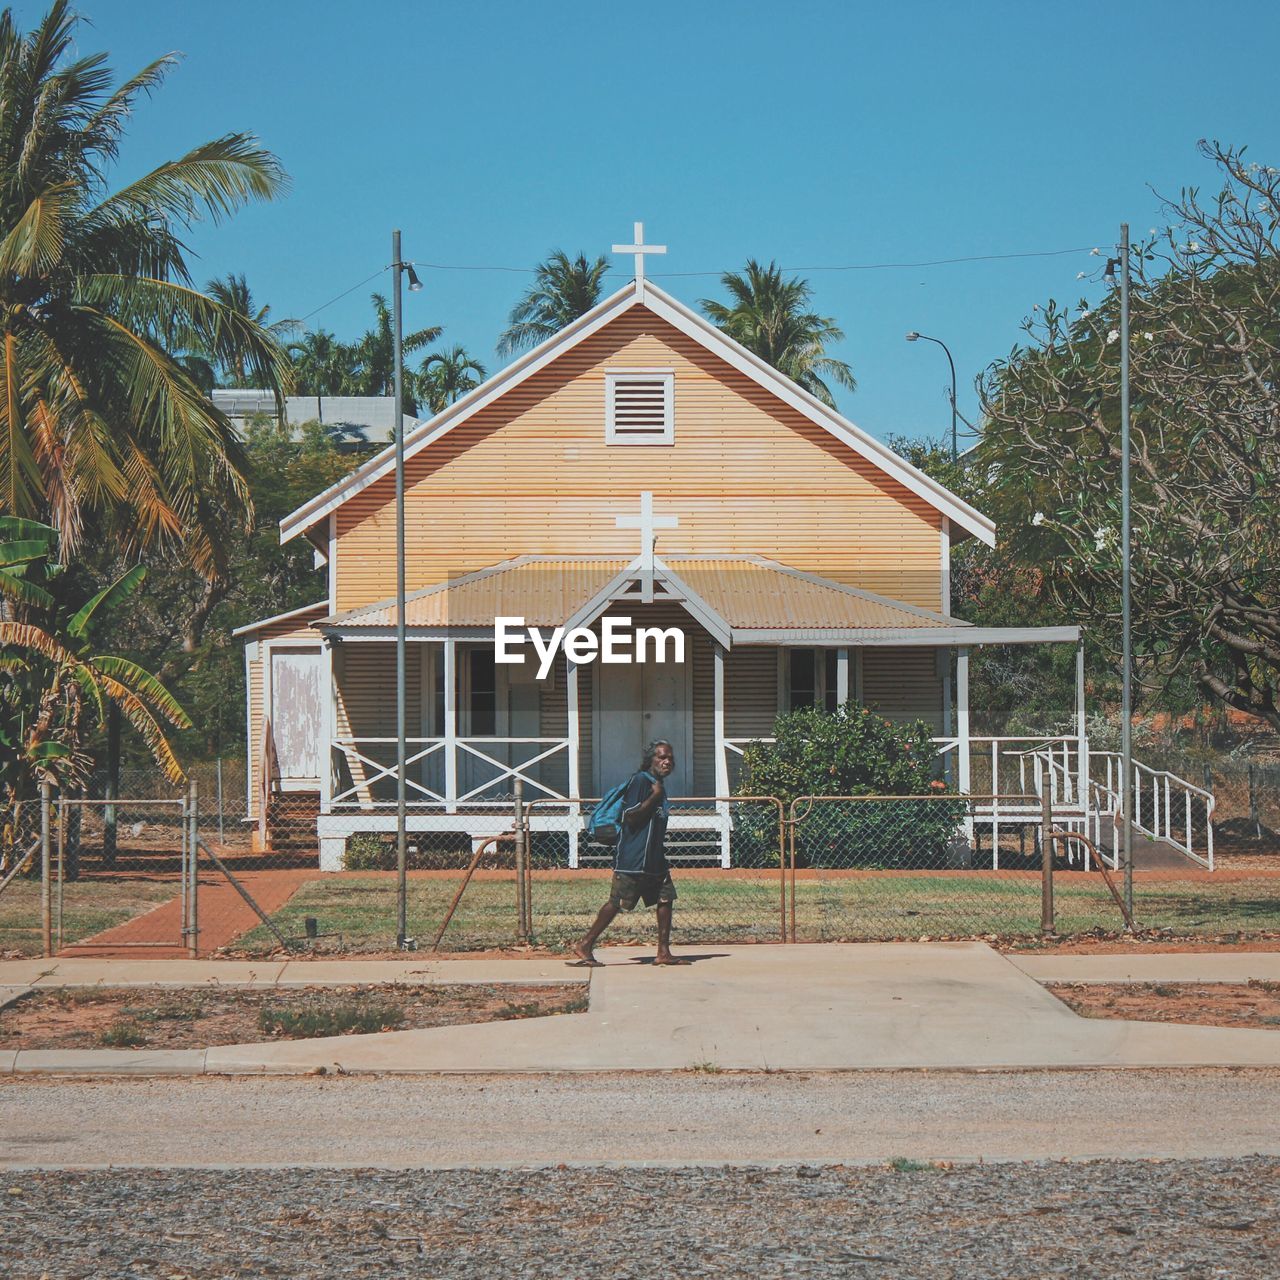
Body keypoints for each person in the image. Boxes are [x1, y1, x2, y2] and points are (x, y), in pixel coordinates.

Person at [572, 740, 687, 966]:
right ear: (650, 760)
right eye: (662, 757)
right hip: (633, 858)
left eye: (670, 758)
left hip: (654, 858)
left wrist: (658, 795)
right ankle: (585, 944)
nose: (667, 762)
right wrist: (653, 797)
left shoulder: (658, 785)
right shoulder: (641, 782)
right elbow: (630, 816)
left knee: (666, 899)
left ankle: (663, 952)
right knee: (616, 902)